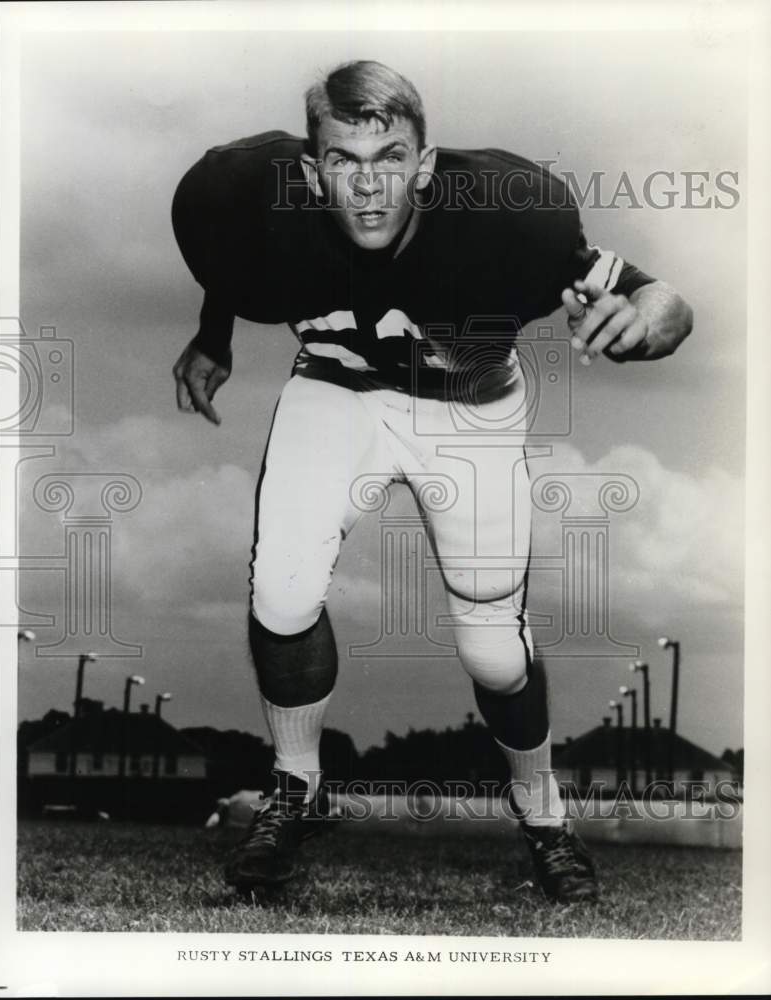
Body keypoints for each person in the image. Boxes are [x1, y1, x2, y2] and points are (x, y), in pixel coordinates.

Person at [171, 60, 692, 904]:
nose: (369, 186)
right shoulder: (241, 198)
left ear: (425, 161)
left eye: (390, 157)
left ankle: (543, 814)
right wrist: (213, 337)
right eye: (343, 160)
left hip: (468, 410)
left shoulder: (511, 218)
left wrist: (653, 320)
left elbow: (655, 295)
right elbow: (230, 260)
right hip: (336, 389)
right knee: (281, 591)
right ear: (310, 171)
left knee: (492, 651)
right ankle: (296, 789)